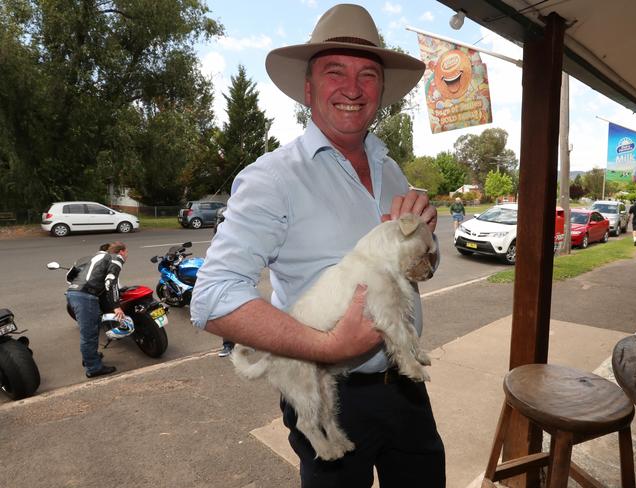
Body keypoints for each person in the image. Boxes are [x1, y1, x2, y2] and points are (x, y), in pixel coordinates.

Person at [191, 5, 444, 487]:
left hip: (407, 389)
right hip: (332, 388)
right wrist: (327, 346)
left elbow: (416, 270)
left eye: (368, 74)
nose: (353, 88)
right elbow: (212, 297)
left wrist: (427, 245)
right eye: (335, 72)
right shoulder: (272, 178)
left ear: (381, 90)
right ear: (308, 90)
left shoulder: (392, 169)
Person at [66, 241, 128, 378]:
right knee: (89, 334)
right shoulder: (116, 259)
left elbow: (70, 276)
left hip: (73, 293)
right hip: (86, 297)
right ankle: (93, 368)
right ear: (122, 251)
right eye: (126, 252)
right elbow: (111, 282)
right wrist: (116, 306)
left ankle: (90, 357)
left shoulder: (91, 257)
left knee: (93, 329)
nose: (126, 255)